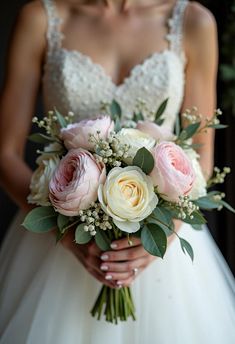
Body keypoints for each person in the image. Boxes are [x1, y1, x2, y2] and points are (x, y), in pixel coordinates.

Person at [0, 0, 234, 343]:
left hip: (163, 255)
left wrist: (161, 237)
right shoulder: (41, 17)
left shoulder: (194, 22)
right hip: (56, 245)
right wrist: (66, 237)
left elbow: (201, 160)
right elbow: (5, 152)